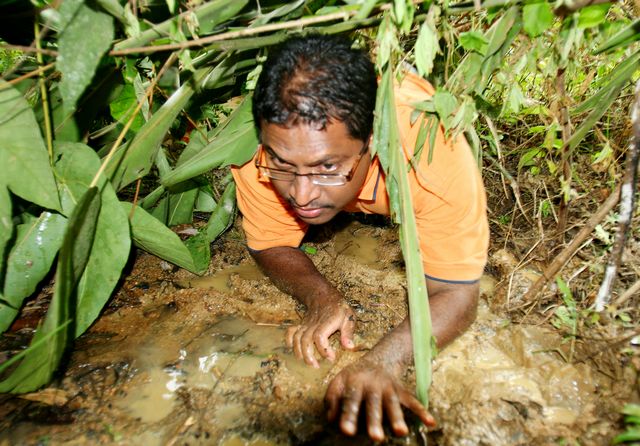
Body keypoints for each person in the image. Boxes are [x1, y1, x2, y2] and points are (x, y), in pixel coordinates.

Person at [230, 34, 489, 441]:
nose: (301, 194)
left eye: (326, 167)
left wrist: (386, 359)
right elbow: (269, 243)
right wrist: (320, 297)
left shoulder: (431, 152)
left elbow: (456, 292)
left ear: (373, 142)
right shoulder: (259, 158)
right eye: (284, 165)